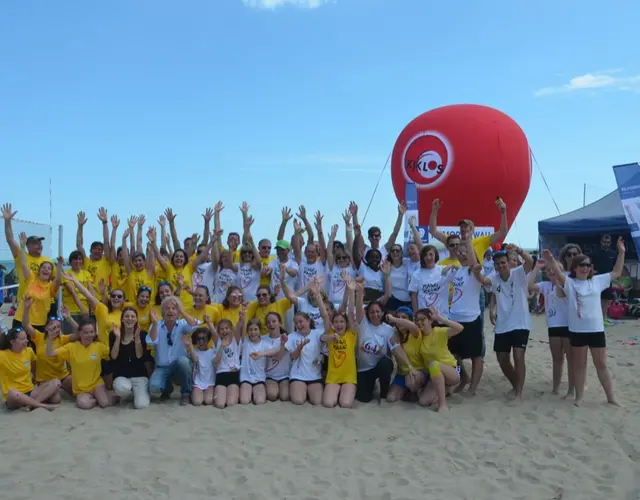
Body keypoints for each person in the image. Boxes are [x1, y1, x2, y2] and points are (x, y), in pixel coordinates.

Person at [543, 237, 625, 407]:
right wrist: (550, 260)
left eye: (588, 265)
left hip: (596, 330)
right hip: (577, 331)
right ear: (574, 268)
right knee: (579, 365)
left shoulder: (597, 281)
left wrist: (622, 252)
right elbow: (558, 274)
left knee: (601, 364)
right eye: (582, 265)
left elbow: (616, 272)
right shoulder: (570, 283)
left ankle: (611, 397)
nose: (585, 268)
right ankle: (579, 397)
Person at [481, 246, 534, 403]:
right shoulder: (494, 277)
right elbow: (486, 284)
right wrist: (476, 270)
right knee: (502, 358)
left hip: (520, 323)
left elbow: (530, 261)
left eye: (503, 263)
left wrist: (518, 250)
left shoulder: (517, 273)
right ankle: (516, 385)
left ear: (508, 263)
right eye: (497, 264)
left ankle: (519, 393)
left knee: (518, 356)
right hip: (502, 324)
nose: (500, 266)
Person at [354, 279, 414, 404]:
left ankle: (383, 392)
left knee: (386, 363)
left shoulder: (388, 330)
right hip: (363, 369)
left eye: (377, 311)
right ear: (367, 314)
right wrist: (360, 292)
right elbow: (359, 308)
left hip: (380, 366)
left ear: (382, 313)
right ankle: (372, 386)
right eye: (372, 312)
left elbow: (397, 349)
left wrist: (409, 366)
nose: (375, 314)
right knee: (364, 398)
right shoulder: (363, 323)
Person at [443, 237, 486, 396]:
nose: (461, 255)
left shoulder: (477, 270)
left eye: (465, 252)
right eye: (459, 252)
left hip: (472, 319)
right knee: (454, 355)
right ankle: (463, 376)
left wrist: (468, 241)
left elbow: (475, 266)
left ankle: (472, 388)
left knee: (476, 355)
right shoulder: (456, 270)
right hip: (454, 318)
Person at [527, 258, 574, 397]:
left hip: (568, 325)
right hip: (553, 326)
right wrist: (536, 268)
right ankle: (556, 388)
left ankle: (571, 389)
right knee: (557, 359)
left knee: (571, 360)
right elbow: (529, 285)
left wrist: (558, 273)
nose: (552, 271)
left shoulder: (567, 284)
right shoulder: (546, 285)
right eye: (549, 270)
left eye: (555, 268)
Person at [2, 203, 55, 326]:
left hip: (43, 306)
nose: (39, 245)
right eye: (35, 243)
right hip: (26, 302)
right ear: (28, 245)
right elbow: (10, 239)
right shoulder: (22, 255)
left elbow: (54, 281)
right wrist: (7, 221)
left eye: (40, 243)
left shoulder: (48, 261)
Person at [47, 317, 114, 409]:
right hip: (80, 389)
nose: (89, 335)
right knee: (84, 404)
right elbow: (50, 353)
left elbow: (113, 356)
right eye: (86, 333)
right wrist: (50, 338)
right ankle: (96, 400)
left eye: (91, 332)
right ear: (80, 333)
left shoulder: (99, 347)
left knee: (104, 403)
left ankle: (107, 398)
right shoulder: (71, 347)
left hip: (96, 384)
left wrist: (117, 337)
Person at [146, 296, 199, 405]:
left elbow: (196, 325)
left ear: (178, 311)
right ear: (162, 311)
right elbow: (151, 341)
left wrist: (182, 312)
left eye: (174, 308)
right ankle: (167, 388)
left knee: (183, 362)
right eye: (167, 308)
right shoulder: (156, 325)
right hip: (163, 366)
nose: (170, 311)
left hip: (179, 364)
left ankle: (186, 393)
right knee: (154, 387)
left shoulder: (183, 324)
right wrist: (155, 324)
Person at [22, 297, 76, 396]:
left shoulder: (63, 339)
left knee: (77, 388)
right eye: (53, 326)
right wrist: (26, 308)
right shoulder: (39, 336)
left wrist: (69, 317)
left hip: (62, 375)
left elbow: (80, 333)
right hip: (44, 378)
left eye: (58, 327)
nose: (55, 329)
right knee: (56, 398)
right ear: (46, 327)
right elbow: (26, 325)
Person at [0, 327, 61, 411]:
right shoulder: (2, 355)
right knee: (13, 393)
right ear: (12, 342)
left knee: (56, 383)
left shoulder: (29, 351)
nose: (27, 341)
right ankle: (42, 405)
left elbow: (34, 367)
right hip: (15, 397)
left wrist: (35, 379)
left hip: (30, 391)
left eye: (26, 338)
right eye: (22, 339)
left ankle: (32, 405)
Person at [319, 279, 358, 408]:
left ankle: (348, 391)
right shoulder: (330, 333)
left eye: (342, 322)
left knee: (345, 404)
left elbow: (351, 313)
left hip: (349, 377)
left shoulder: (351, 334)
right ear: (332, 323)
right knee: (328, 403)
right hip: (333, 377)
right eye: (336, 322)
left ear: (346, 324)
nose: (339, 324)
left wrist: (351, 291)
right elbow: (324, 315)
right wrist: (317, 294)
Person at [14, 236, 63, 331]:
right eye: (44, 267)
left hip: (39, 323)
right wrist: (23, 246)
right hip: (21, 320)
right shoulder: (31, 279)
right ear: (39, 270)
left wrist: (60, 264)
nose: (46, 270)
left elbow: (57, 280)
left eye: (49, 268)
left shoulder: (51, 287)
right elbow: (23, 263)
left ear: (51, 273)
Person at [110, 308, 150, 409]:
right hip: (121, 376)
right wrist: (118, 338)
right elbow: (113, 356)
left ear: (136, 319)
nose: (129, 319)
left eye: (132, 316)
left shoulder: (142, 334)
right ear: (122, 319)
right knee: (123, 389)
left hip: (139, 376)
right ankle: (128, 393)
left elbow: (139, 355)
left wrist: (137, 339)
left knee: (141, 405)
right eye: (127, 316)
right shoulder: (114, 334)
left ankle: (138, 393)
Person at [385, 307, 427, 403]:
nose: (400, 320)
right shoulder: (394, 334)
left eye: (404, 317)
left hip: (419, 371)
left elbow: (412, 326)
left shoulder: (415, 333)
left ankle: (417, 391)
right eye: (398, 317)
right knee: (391, 398)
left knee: (411, 381)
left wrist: (394, 319)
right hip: (402, 373)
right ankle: (408, 391)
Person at [241, 319, 285, 405]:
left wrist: (261, 353)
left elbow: (276, 350)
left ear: (260, 330)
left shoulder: (265, 343)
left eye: (255, 329)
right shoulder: (245, 341)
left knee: (260, 401)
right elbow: (241, 330)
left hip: (259, 378)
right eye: (250, 330)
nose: (253, 332)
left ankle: (254, 393)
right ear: (247, 331)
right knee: (244, 401)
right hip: (246, 378)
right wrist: (243, 317)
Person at [212, 309, 246, 409]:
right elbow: (215, 362)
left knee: (231, 403)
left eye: (227, 328)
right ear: (219, 332)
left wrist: (241, 319)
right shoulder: (218, 342)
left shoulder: (236, 340)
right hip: (221, 375)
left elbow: (239, 326)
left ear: (231, 329)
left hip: (233, 374)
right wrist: (222, 347)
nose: (224, 331)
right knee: (219, 404)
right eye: (221, 329)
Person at [408, 244, 449, 316]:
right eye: (425, 255)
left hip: (442, 316)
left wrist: (452, 265)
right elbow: (413, 296)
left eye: (431, 254)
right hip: (424, 318)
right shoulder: (417, 274)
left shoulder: (444, 270)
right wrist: (416, 314)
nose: (428, 257)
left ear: (435, 255)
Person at [76, 209, 112, 289]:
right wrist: (80, 226)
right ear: (90, 250)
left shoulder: (106, 261)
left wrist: (104, 223)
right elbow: (79, 245)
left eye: (100, 249)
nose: (97, 251)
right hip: (87, 298)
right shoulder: (85, 261)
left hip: (102, 299)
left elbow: (106, 242)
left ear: (102, 252)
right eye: (95, 249)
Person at [183, 326, 219, 406]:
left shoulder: (212, 352)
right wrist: (190, 345)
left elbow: (216, 337)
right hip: (198, 382)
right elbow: (195, 359)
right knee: (197, 402)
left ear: (208, 340)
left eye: (204, 339)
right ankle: (191, 394)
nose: (201, 342)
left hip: (210, 382)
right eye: (198, 339)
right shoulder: (194, 351)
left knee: (208, 401)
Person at [589, 234, 619, 326]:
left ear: (610, 243)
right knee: (596, 299)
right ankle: (596, 318)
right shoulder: (594, 252)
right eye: (604, 242)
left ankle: (604, 318)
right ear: (601, 242)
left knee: (606, 299)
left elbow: (616, 267)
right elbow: (590, 264)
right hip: (596, 278)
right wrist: (592, 272)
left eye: (608, 242)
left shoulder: (613, 254)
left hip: (608, 278)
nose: (606, 244)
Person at [262, 312, 291, 402]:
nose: (271, 324)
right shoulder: (262, 339)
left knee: (285, 397)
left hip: (285, 375)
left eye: (274, 321)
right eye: (268, 322)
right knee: (272, 396)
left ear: (280, 323)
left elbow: (279, 356)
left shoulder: (288, 338)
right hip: (270, 375)